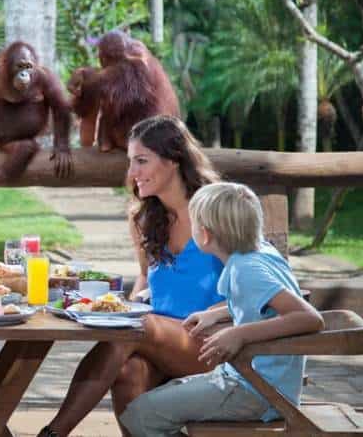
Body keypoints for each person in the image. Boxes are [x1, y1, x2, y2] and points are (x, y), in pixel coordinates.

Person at [41, 115, 224, 437]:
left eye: (142, 161)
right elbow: (144, 276)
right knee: (127, 371)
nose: (132, 173)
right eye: (130, 162)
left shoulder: (216, 210)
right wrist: (128, 302)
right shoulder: (144, 218)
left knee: (133, 326)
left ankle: (53, 434)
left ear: (173, 159)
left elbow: (255, 282)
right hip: (159, 340)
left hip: (214, 343)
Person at [120, 182, 324, 436]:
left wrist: (238, 334)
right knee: (162, 397)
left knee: (141, 415)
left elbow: (308, 318)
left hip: (256, 390)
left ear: (204, 235)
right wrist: (215, 314)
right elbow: (262, 303)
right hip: (257, 382)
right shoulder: (259, 254)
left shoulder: (246, 270)